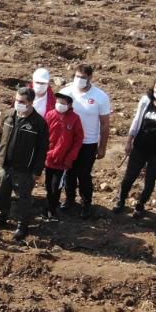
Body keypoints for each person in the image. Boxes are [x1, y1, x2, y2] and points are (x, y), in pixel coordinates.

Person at [115, 75, 156, 218]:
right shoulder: (146, 101)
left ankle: (140, 205)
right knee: (129, 176)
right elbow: (136, 121)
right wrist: (129, 141)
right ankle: (121, 200)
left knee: (150, 179)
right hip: (140, 147)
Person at [0, 86, 51, 239]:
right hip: (5, 164)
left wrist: (37, 170)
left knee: (23, 198)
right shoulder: (8, 115)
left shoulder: (38, 123)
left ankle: (22, 225)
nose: (17, 103)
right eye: (16, 100)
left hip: (24, 169)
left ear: (30, 102)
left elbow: (42, 149)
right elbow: (0, 134)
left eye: (21, 101)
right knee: (2, 193)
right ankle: (0, 218)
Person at [59, 64, 113, 216]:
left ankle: (86, 203)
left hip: (88, 142)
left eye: (83, 77)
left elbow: (104, 123)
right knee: (69, 172)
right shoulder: (66, 92)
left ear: (90, 77)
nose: (79, 80)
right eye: (77, 76)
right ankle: (69, 199)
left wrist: (102, 147)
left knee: (83, 174)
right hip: (68, 141)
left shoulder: (100, 97)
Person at [43, 91, 84, 221]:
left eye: (63, 103)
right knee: (48, 185)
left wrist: (70, 157)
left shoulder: (74, 118)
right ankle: (49, 206)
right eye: (58, 102)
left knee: (56, 186)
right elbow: (43, 136)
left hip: (63, 161)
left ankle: (52, 210)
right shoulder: (50, 115)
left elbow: (78, 139)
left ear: (69, 104)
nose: (60, 104)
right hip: (48, 158)